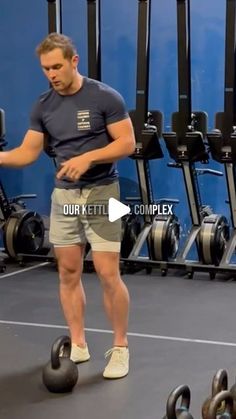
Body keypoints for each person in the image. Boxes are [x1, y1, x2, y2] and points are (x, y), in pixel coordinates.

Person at [0, 33, 136, 379]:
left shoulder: (105, 97)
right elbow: (27, 153)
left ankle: (120, 348)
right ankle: (78, 344)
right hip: (64, 197)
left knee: (107, 273)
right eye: (45, 68)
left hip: (102, 193)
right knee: (68, 272)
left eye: (57, 66)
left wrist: (89, 157)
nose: (51, 74)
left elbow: (127, 143)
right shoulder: (43, 105)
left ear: (74, 61)